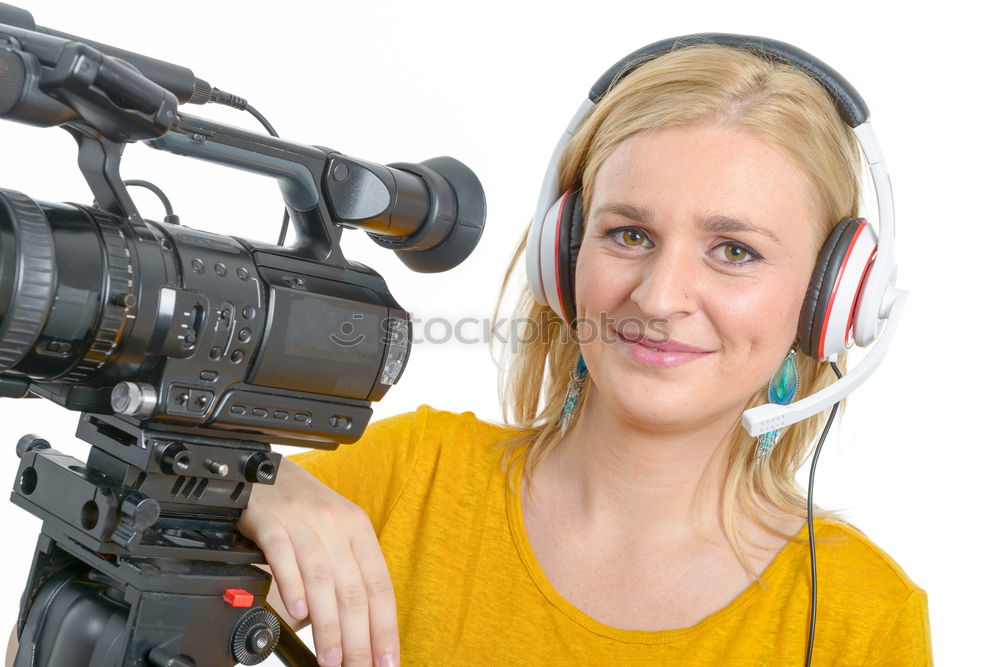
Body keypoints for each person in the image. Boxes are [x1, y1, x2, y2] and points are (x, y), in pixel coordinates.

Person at [237, 37, 932, 666]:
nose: (660, 297)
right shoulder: (407, 482)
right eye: (630, 234)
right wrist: (236, 487)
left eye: (734, 250)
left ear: (827, 302)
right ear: (562, 255)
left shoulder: (862, 613)